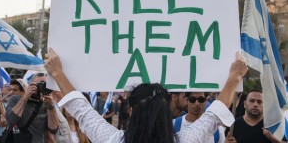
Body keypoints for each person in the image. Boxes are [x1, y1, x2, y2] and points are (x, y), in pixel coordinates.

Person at [44, 48, 248, 143]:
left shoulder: (114, 140)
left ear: (131, 110)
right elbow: (214, 114)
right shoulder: (184, 140)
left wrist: (58, 74)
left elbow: (82, 111)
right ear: (167, 111)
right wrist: (234, 77)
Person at [5, 75, 59, 143]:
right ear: (30, 84)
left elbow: (53, 129)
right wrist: (25, 97)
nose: (40, 87)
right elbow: (11, 120)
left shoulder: (46, 103)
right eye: (38, 84)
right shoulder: (15, 99)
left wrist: (51, 107)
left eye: (44, 84)